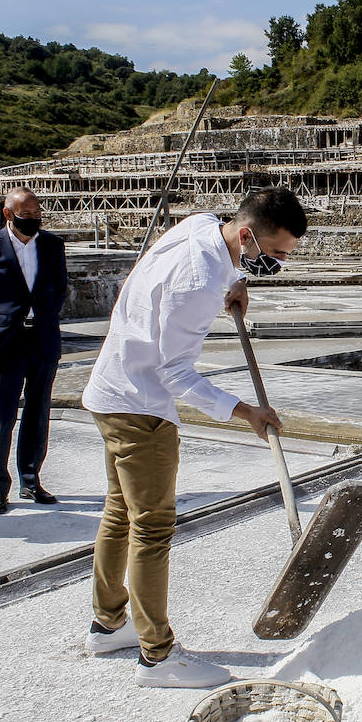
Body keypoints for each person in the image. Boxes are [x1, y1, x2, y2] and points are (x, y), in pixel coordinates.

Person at [80, 187, 305, 688]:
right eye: (274, 254)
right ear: (247, 235)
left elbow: (221, 255)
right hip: (140, 407)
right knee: (153, 527)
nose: (278, 263)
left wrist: (238, 277)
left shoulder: (204, 226)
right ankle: (157, 657)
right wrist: (244, 411)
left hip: (110, 391)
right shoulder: (199, 282)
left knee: (121, 512)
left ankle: (107, 624)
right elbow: (175, 374)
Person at [0, 187, 69, 515]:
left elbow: (60, 287)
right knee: (2, 415)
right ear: (9, 214)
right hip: (6, 342)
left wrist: (43, 317)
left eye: (38, 215)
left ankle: (30, 478)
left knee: (37, 412)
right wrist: (0, 323)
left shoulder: (52, 245)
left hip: (42, 339)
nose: (34, 220)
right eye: (27, 216)